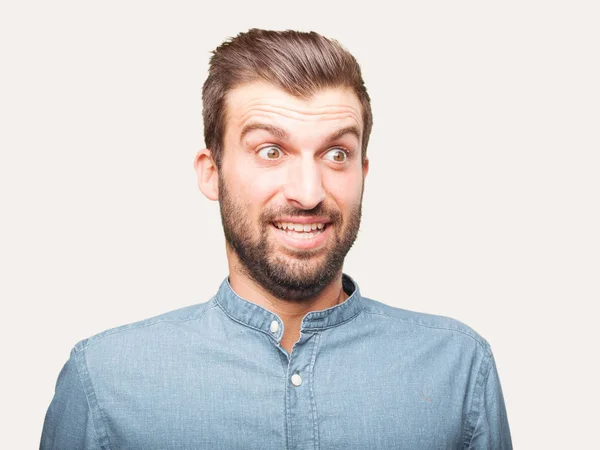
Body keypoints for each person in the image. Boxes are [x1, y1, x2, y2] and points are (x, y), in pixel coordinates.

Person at [40, 28, 512, 449]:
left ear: (363, 173)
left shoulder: (459, 369)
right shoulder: (103, 382)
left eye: (336, 153)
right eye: (270, 150)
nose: (308, 193)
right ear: (212, 173)